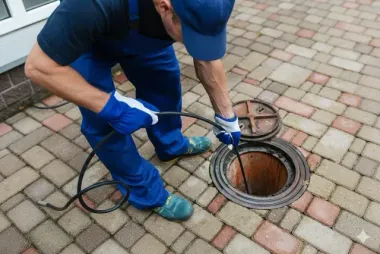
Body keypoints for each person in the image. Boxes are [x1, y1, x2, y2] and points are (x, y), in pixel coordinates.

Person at [25, 0, 241, 221]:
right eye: (191, 35)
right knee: (104, 123)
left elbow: (207, 58)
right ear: (165, 7)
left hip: (148, 35)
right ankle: (147, 193)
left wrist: (226, 115)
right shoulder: (89, 6)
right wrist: (112, 108)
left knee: (164, 86)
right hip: (89, 43)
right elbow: (38, 67)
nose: (195, 44)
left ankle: (171, 144)